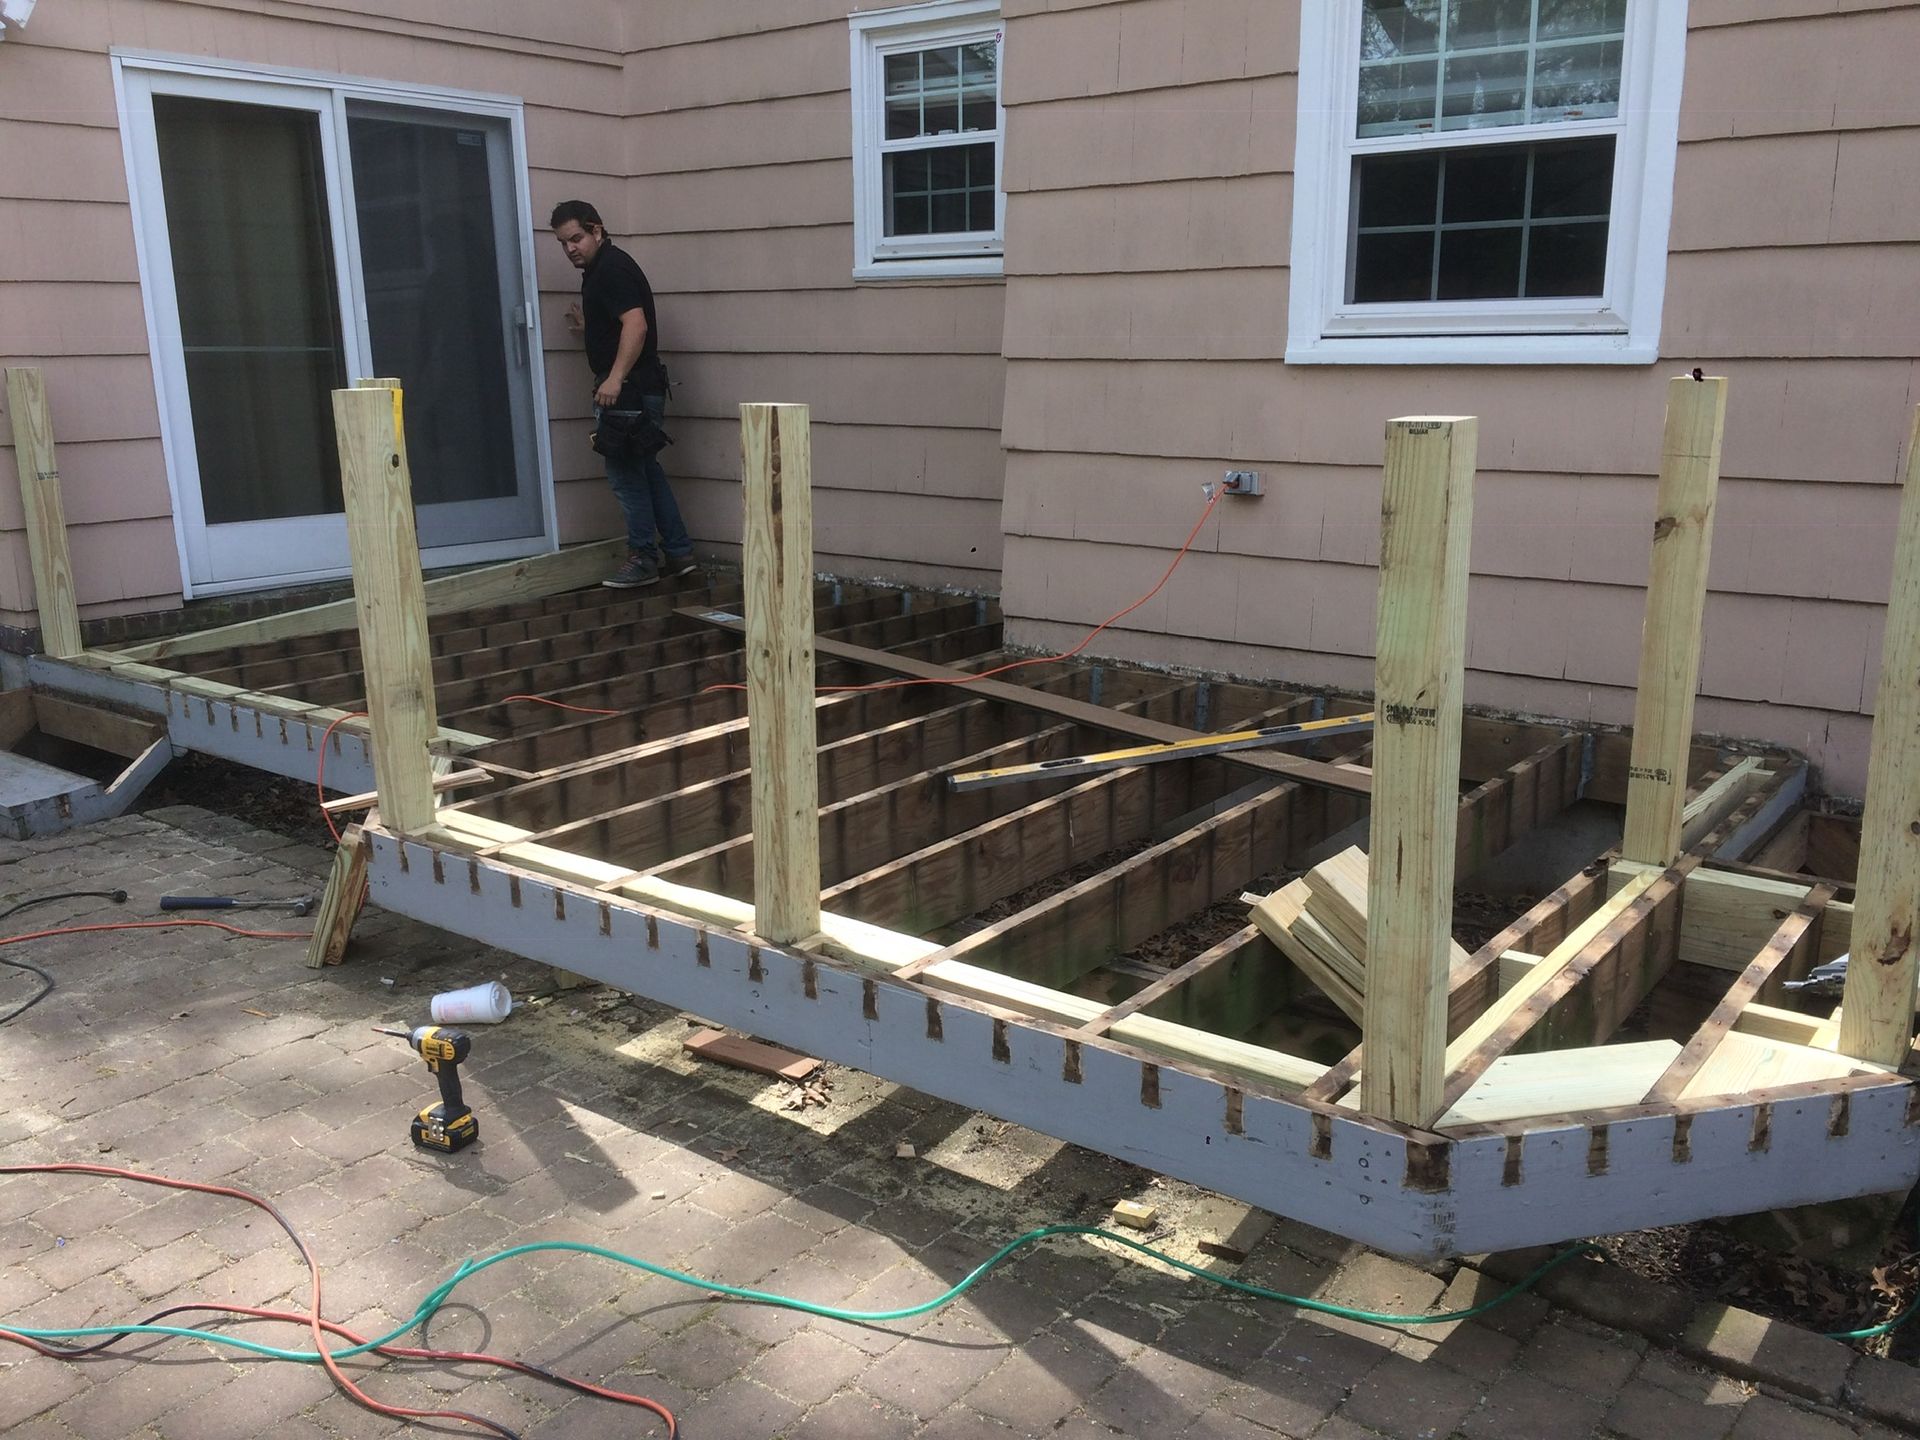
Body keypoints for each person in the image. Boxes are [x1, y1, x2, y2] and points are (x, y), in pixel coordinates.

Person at [550, 199, 695, 589]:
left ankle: (644, 558)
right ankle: (679, 553)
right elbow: (621, 321)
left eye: (577, 238)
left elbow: (637, 325)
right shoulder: (603, 268)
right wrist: (592, 324)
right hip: (640, 388)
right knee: (645, 471)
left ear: (597, 229)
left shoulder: (611, 269)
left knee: (626, 476)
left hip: (628, 393)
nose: (570, 249)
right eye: (564, 243)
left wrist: (614, 379)